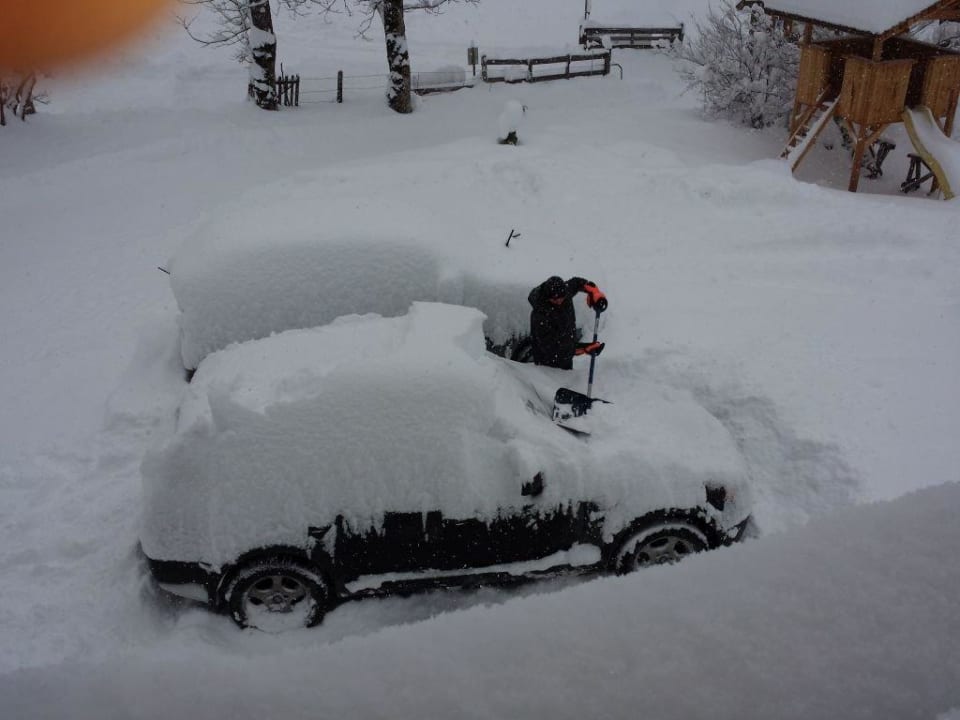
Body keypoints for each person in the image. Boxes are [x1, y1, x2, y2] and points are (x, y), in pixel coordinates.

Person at [527, 275, 608, 369]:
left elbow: (576, 283)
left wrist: (594, 292)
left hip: (566, 357)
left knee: (567, 372)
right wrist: (584, 349)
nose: (559, 301)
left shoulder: (565, 292)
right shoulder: (540, 315)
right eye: (555, 299)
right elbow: (552, 349)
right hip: (547, 365)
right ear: (547, 297)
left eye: (562, 297)